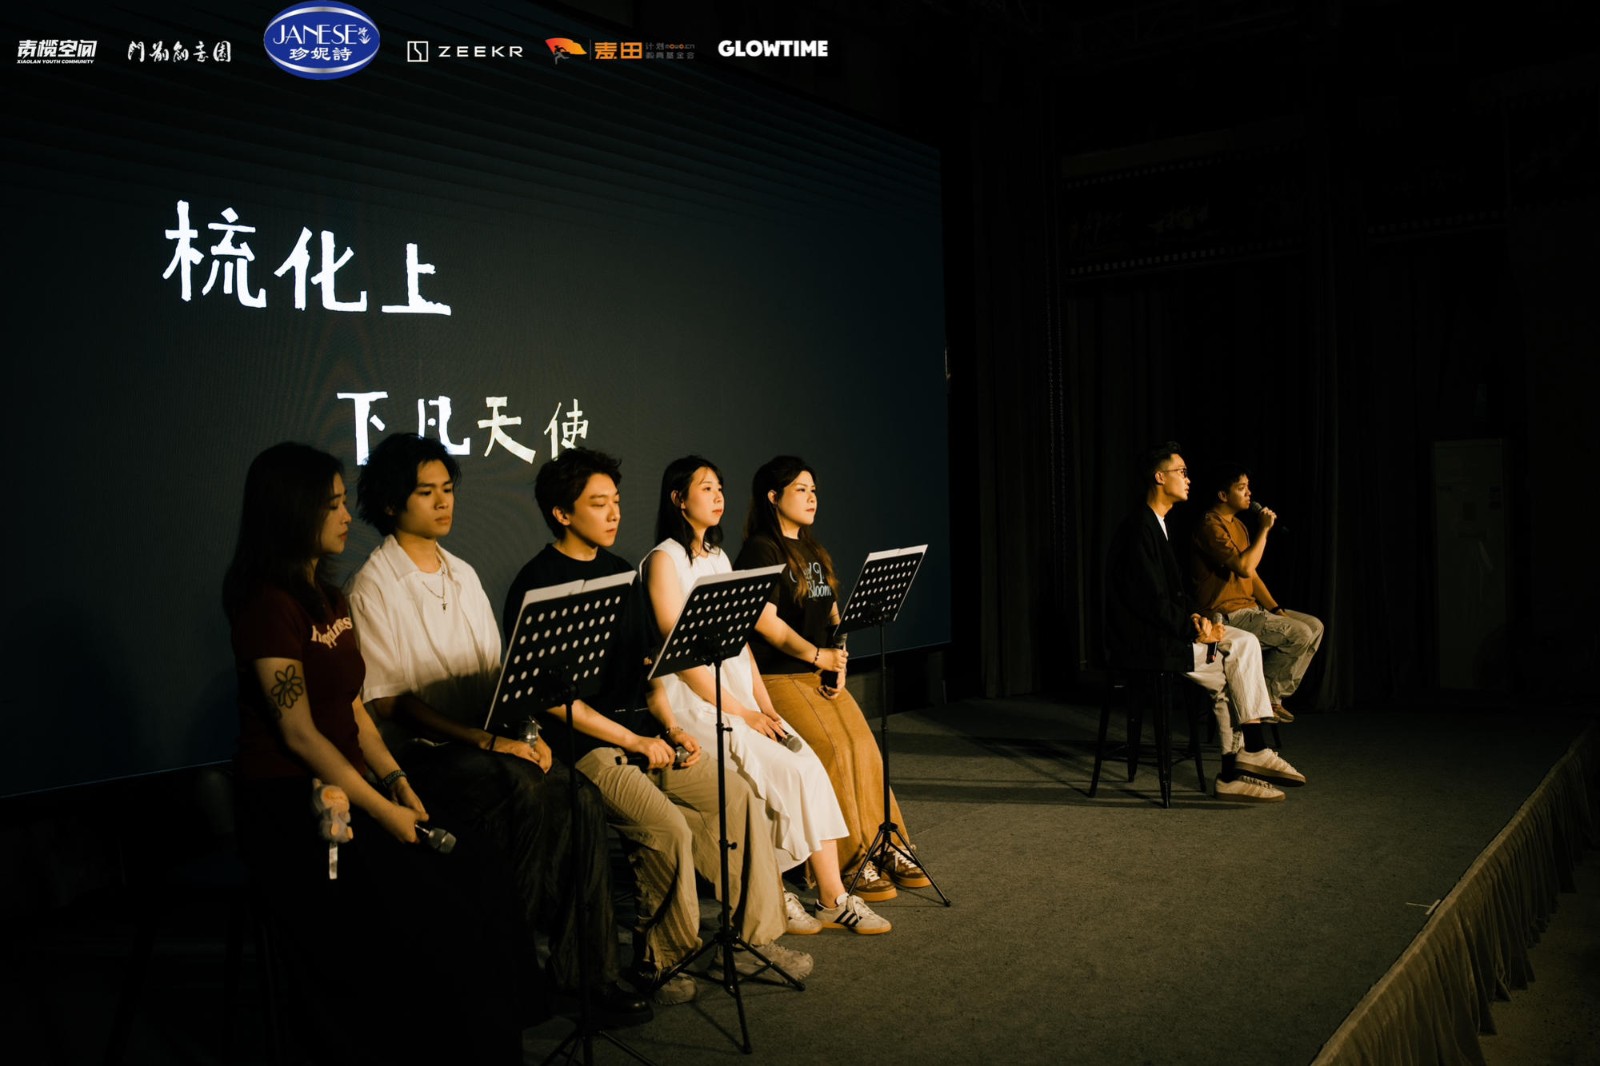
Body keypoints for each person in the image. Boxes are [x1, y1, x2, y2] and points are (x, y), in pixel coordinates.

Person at [223, 441, 520, 1064]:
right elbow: (300, 734)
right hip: (292, 802)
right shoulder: (266, 604)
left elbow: (354, 709)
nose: (344, 516)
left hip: (351, 785)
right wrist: (383, 811)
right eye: (331, 504)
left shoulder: (326, 596)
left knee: (477, 871)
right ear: (293, 510)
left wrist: (397, 780)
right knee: (430, 907)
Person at [344, 433, 648, 1025]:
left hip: (489, 745)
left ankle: (587, 976)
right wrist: (489, 741)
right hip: (424, 757)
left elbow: (501, 675)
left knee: (580, 796)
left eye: (448, 489)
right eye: (426, 493)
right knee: (521, 789)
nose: (443, 502)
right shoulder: (372, 585)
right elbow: (392, 705)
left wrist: (527, 735)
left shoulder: (462, 572)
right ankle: (507, 969)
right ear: (390, 503)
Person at [502, 447, 813, 1004]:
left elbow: (651, 670)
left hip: (646, 734)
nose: (614, 512)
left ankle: (752, 940)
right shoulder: (538, 583)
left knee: (736, 798)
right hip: (587, 747)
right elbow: (549, 702)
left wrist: (670, 728)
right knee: (667, 827)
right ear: (562, 513)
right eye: (598, 503)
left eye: (616, 500)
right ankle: (664, 958)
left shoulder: (622, 573)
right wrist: (637, 740)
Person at [643, 455, 891, 934]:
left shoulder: (718, 559)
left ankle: (833, 897)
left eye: (720, 488)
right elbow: (682, 657)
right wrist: (741, 712)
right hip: (696, 704)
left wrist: (765, 705)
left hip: (740, 696)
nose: (718, 496)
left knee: (807, 767)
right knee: (768, 776)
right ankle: (773, 891)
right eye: (706, 488)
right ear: (678, 499)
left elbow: (742, 646)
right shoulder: (662, 561)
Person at [734, 455, 930, 901]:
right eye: (800, 490)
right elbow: (765, 622)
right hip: (779, 676)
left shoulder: (813, 551)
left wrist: (838, 660)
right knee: (833, 750)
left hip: (817, 672)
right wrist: (815, 654)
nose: (811, 498)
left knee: (863, 746)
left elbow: (833, 614)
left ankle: (889, 845)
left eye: (814, 491)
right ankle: (849, 861)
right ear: (773, 496)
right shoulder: (761, 550)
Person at [1104, 442, 1308, 801]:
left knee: (1237, 665)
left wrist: (1198, 617)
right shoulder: (1139, 528)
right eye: (1181, 472)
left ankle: (1233, 772)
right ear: (1159, 477)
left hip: (1166, 631)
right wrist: (1194, 629)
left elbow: (1173, 595)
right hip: (1146, 643)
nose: (1188, 479)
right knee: (1241, 649)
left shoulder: (1159, 524)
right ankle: (1253, 750)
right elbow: (1148, 602)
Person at [1189, 465, 1325, 721]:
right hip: (1226, 614)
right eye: (1241, 488)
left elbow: (1252, 576)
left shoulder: (1239, 526)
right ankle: (1266, 699)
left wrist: (1275, 609)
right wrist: (1264, 530)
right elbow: (1243, 567)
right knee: (1300, 633)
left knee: (1314, 627)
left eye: (1248, 488)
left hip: (1251, 609)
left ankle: (1269, 695)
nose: (1249, 493)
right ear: (1223, 495)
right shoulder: (1210, 525)